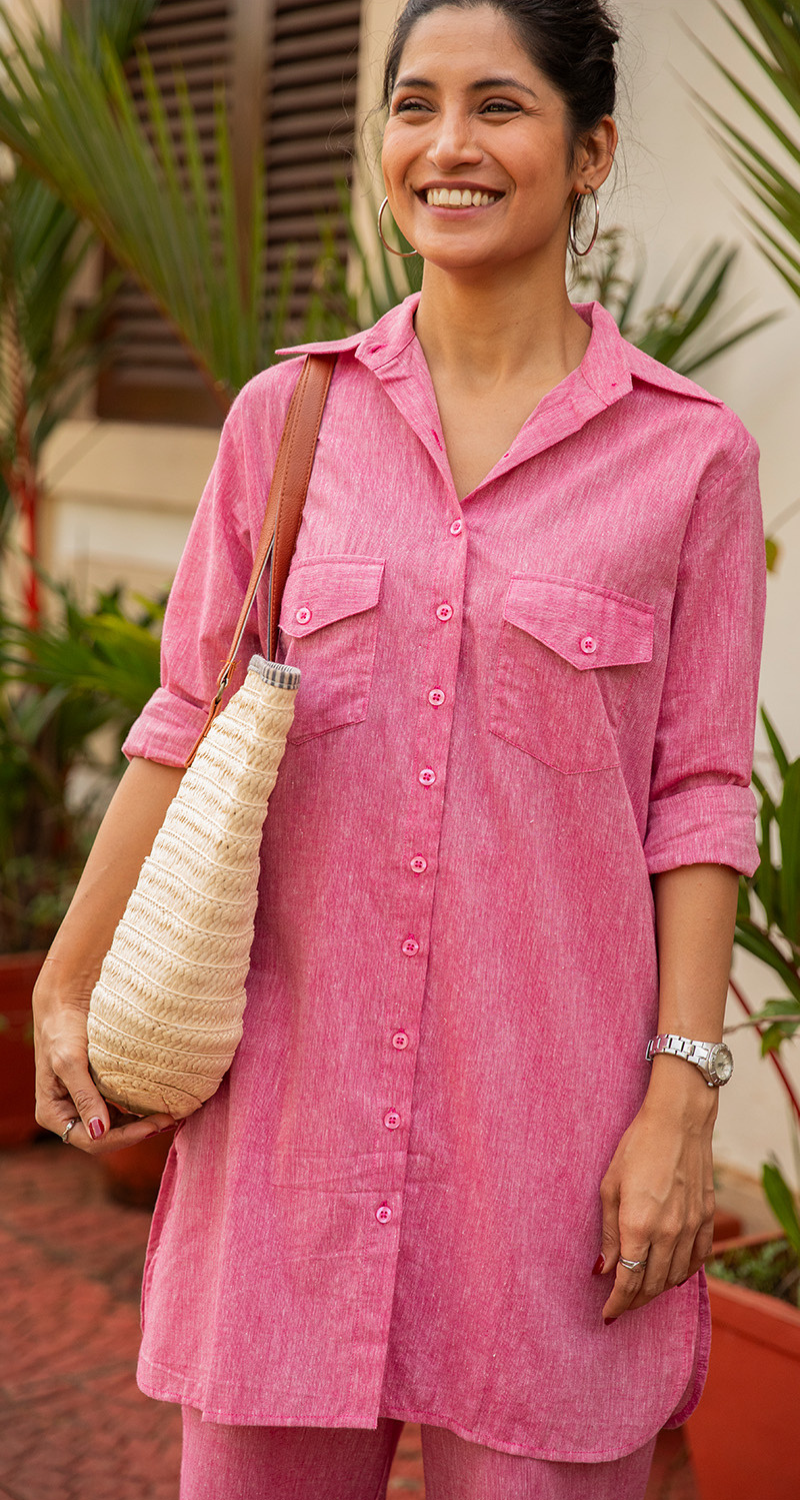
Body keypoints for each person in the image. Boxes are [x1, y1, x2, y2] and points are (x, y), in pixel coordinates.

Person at [33, 1, 766, 1496]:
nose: (448, 145)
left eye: (499, 107)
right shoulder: (288, 422)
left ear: (591, 153)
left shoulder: (688, 459)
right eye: (413, 104)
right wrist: (67, 974)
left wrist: (680, 1103)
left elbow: (696, 797)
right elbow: (187, 715)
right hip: (292, 1123)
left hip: (553, 1143)